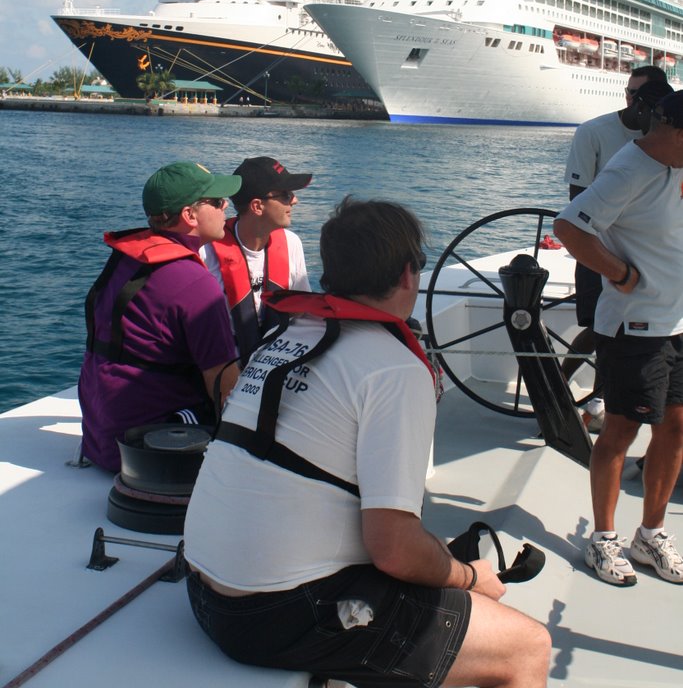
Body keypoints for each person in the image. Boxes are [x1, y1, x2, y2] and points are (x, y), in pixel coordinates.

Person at [184, 197, 551, 688]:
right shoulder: (394, 369)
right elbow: (394, 549)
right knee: (527, 647)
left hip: (203, 589)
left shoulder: (280, 341)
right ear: (406, 275)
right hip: (276, 613)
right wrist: (470, 578)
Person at [554, 92, 683, 586]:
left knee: (675, 428)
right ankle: (603, 540)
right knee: (621, 432)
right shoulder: (629, 170)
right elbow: (569, 226)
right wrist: (620, 272)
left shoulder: (674, 167)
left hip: (678, 324)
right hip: (635, 329)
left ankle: (650, 534)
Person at [78, 161, 241, 471]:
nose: (226, 208)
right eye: (218, 202)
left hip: (102, 436)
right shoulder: (195, 283)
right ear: (189, 215)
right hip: (148, 449)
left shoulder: (126, 261)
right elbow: (224, 385)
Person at [562, 69, 672, 431]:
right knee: (599, 327)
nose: (639, 104)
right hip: (602, 250)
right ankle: (565, 386)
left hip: (649, 258)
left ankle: (597, 403)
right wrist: (618, 264)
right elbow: (576, 207)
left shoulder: (664, 144)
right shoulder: (595, 132)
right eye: (635, 94)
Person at [201, 156, 311, 365]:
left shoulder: (292, 243)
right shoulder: (206, 252)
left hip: (277, 369)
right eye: (286, 195)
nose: (294, 200)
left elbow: (302, 315)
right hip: (226, 372)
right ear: (257, 206)